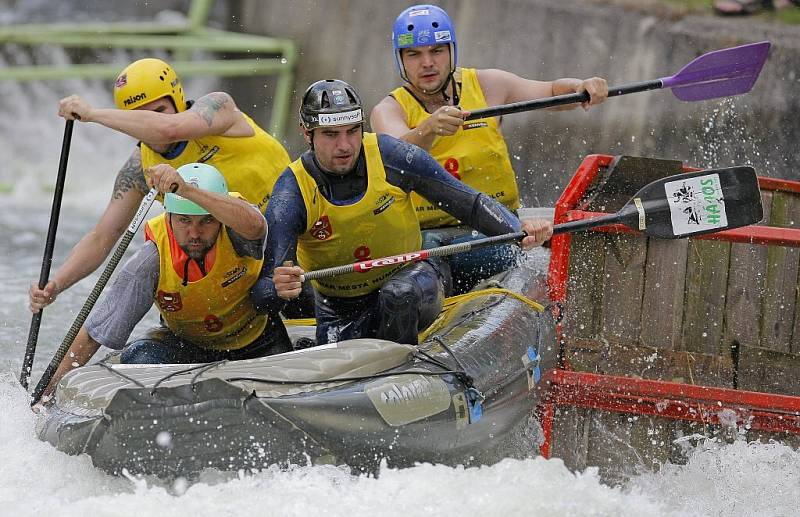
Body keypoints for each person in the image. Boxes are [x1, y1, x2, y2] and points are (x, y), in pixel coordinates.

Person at [251, 79, 552, 347]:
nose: (344, 146)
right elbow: (262, 296)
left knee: (398, 295)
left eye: (352, 131)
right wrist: (280, 289)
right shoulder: (291, 192)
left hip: (414, 279)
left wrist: (515, 228)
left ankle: (405, 373)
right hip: (339, 307)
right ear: (307, 133)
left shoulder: (390, 155)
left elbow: (465, 202)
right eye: (330, 134)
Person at [28, 57, 312, 316]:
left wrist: (91, 114)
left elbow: (169, 129)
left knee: (272, 293)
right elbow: (103, 236)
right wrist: (55, 284)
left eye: (160, 110)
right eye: (140, 116)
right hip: (236, 262)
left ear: (178, 100)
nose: (152, 122)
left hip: (295, 233)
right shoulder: (139, 168)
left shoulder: (219, 109)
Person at [370, 4, 608, 294]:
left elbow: (552, 93)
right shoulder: (388, 109)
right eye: (414, 54)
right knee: (416, 282)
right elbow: (395, 155)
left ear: (451, 51)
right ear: (401, 61)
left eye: (436, 51)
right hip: (426, 238)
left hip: (493, 228)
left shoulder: (488, 85)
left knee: (504, 254)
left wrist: (582, 86)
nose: (427, 63)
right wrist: (428, 128)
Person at [40, 162, 292, 399]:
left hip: (257, 341)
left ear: (219, 219)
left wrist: (186, 190)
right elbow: (95, 334)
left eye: (206, 221)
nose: (194, 233)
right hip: (187, 346)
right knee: (139, 358)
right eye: (184, 220)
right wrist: (46, 397)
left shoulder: (236, 227)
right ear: (169, 217)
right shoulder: (150, 260)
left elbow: (256, 224)